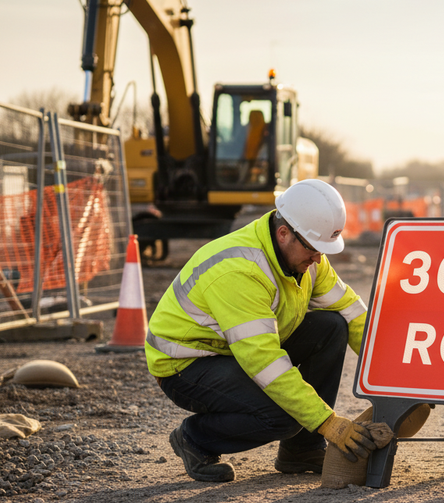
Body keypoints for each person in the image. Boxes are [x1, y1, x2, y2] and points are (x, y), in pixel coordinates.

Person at [145, 179, 376, 482]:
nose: (319, 258)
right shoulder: (240, 270)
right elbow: (264, 362)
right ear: (284, 234)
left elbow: (351, 313)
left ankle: (301, 451)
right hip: (185, 363)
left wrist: (391, 376)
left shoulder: (306, 255)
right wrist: (327, 422)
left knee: (332, 326)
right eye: (314, 249)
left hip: (231, 348)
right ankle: (194, 438)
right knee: (285, 415)